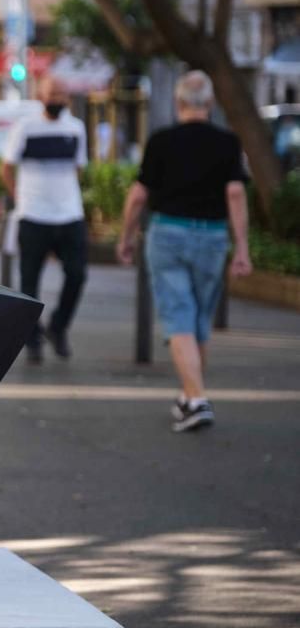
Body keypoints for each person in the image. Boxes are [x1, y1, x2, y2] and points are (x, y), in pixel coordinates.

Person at [117, 71, 252, 433]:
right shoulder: (228, 142)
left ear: (178, 103)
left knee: (178, 317)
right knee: (197, 322)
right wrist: (242, 248)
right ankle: (188, 394)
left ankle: (196, 400)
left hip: (168, 235)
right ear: (209, 104)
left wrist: (126, 237)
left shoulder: (162, 140)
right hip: (212, 238)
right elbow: (236, 194)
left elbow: (138, 196)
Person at [0, 76, 89, 362]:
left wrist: (66, 195)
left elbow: (79, 167)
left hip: (70, 214)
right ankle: (32, 338)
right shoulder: (25, 127)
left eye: (62, 94)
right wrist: (21, 197)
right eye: (52, 93)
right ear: (41, 95)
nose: (57, 99)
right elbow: (6, 168)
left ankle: (58, 326)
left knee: (77, 274)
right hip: (34, 214)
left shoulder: (76, 128)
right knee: (30, 280)